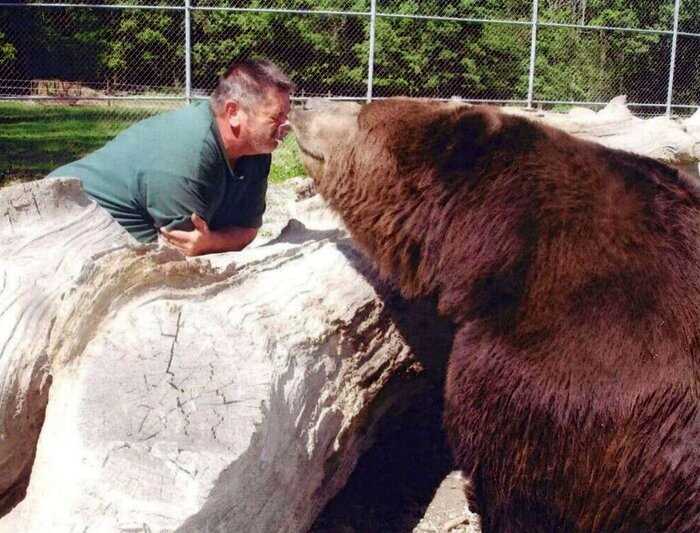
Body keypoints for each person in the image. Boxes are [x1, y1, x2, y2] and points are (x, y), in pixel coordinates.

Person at [48, 59, 293, 256]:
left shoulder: (257, 152)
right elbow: (180, 252)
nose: (287, 124)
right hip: (57, 222)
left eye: (287, 115)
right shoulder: (192, 153)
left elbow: (247, 230)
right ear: (233, 112)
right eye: (276, 117)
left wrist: (211, 241)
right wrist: (210, 243)